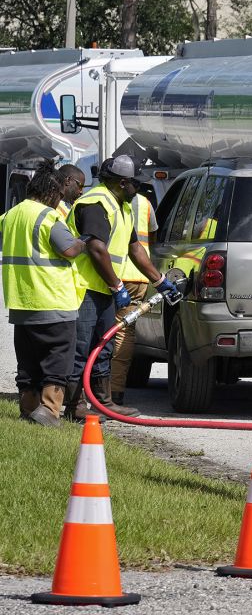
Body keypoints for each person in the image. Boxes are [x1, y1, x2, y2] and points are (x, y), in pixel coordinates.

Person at [64, 155, 180, 420]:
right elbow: (96, 248)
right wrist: (117, 286)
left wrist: (159, 281)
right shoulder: (95, 203)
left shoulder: (122, 205)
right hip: (83, 289)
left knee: (103, 348)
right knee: (81, 349)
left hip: (102, 290)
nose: (138, 189)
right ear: (122, 182)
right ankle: (75, 406)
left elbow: (135, 248)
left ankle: (104, 402)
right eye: (135, 184)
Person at [2, 162, 85, 427]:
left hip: (21, 303)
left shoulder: (11, 215)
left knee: (28, 362)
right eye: (59, 195)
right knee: (57, 359)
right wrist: (84, 241)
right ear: (51, 192)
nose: (60, 199)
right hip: (53, 301)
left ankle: (28, 408)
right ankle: (49, 411)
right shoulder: (48, 217)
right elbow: (69, 249)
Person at [109, 189, 158, 408]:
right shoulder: (145, 203)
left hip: (111, 274)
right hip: (139, 276)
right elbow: (153, 237)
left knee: (103, 332)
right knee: (124, 334)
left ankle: (101, 392)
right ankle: (116, 391)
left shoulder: (105, 200)